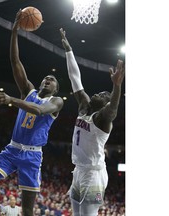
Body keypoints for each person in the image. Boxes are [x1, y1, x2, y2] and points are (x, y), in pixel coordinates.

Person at [0, 10, 64, 216]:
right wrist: (14, 32)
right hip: (12, 150)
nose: (47, 79)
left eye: (52, 79)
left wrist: (12, 100)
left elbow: (39, 110)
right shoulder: (28, 91)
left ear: (55, 88)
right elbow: (15, 61)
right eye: (45, 78)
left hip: (32, 156)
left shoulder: (56, 101)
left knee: (28, 210)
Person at [60, 28, 125, 216]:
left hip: (94, 174)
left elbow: (113, 108)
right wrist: (69, 50)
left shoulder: (102, 119)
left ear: (105, 103)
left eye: (104, 95)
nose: (98, 93)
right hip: (79, 171)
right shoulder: (84, 107)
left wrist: (116, 87)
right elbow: (75, 78)